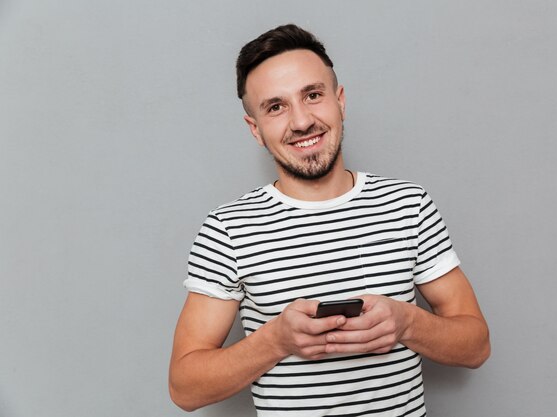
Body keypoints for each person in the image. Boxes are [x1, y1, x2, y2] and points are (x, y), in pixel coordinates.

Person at [169, 23, 490, 417]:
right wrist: (276, 341)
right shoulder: (227, 230)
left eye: (313, 95)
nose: (302, 121)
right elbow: (184, 388)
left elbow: (476, 346)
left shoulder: (409, 204)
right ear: (255, 129)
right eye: (276, 106)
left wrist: (407, 323)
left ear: (340, 101)